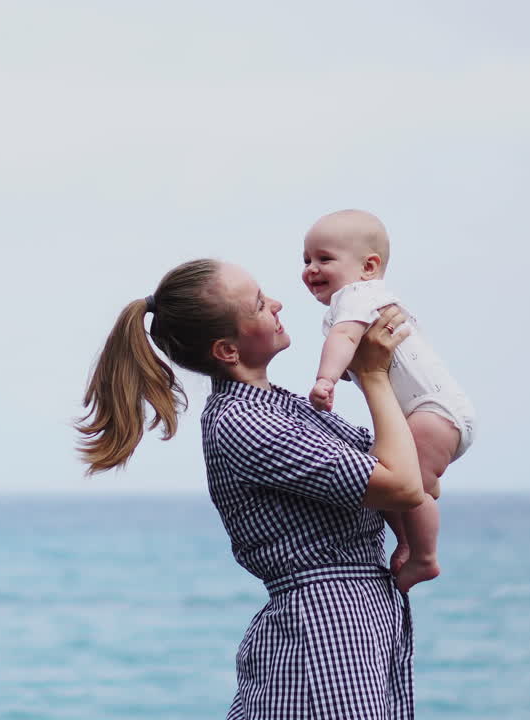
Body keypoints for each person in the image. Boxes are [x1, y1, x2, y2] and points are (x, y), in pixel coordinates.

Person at [76, 259, 425, 718]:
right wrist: (374, 374)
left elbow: (400, 463)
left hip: (352, 622)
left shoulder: (285, 407)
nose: (277, 304)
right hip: (326, 632)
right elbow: (402, 485)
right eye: (260, 304)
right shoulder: (244, 423)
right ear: (226, 349)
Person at [302, 209, 476, 592]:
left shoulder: (356, 296)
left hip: (432, 412)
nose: (311, 268)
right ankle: (410, 543)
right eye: (307, 260)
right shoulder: (365, 301)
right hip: (433, 413)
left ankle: (424, 557)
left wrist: (325, 380)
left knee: (404, 486)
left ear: (368, 266)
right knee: (390, 484)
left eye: (324, 259)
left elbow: (345, 341)